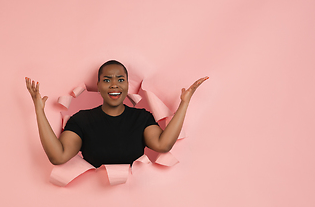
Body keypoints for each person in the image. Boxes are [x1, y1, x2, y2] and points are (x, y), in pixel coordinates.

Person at [25, 60, 208, 168]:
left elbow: (163, 144)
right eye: (107, 80)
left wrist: (184, 103)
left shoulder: (142, 118)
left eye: (120, 80)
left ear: (127, 85)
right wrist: (39, 111)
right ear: (98, 86)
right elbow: (58, 156)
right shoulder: (82, 120)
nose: (114, 85)